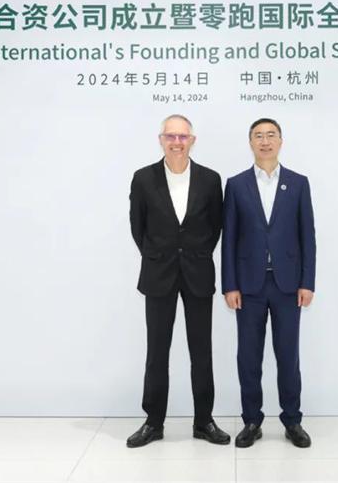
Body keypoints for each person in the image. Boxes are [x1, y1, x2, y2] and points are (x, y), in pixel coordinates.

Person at [126, 115, 231, 448]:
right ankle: (153, 422)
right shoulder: (143, 178)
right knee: (157, 352)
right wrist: (159, 255)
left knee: (202, 352)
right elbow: (138, 227)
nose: (176, 142)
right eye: (170, 136)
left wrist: (194, 254)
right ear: (161, 139)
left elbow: (216, 227)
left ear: (192, 141)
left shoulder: (210, 179)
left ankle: (204, 422)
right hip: (159, 274)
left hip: (198, 273)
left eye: (182, 136)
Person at [221, 118, 316, 448]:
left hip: (288, 285)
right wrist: (229, 285)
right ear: (250, 142)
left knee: (288, 355)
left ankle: (292, 420)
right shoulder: (236, 185)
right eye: (258, 136)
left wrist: (308, 282)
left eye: (271, 135)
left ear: (280, 141)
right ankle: (251, 420)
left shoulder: (298, 183)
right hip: (248, 287)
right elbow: (229, 238)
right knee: (249, 357)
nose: (265, 141)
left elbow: (307, 236)